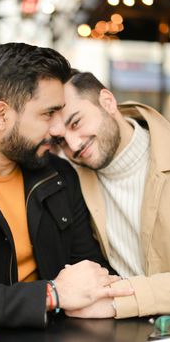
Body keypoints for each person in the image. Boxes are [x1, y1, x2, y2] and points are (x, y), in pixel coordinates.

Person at [0, 44, 133, 342]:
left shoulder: (59, 175)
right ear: (1, 115)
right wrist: (51, 294)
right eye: (48, 113)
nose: (58, 129)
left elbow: (92, 273)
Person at [57, 69, 170, 319]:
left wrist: (117, 303)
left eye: (76, 123)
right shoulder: (71, 181)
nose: (73, 145)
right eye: (61, 141)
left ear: (108, 102)